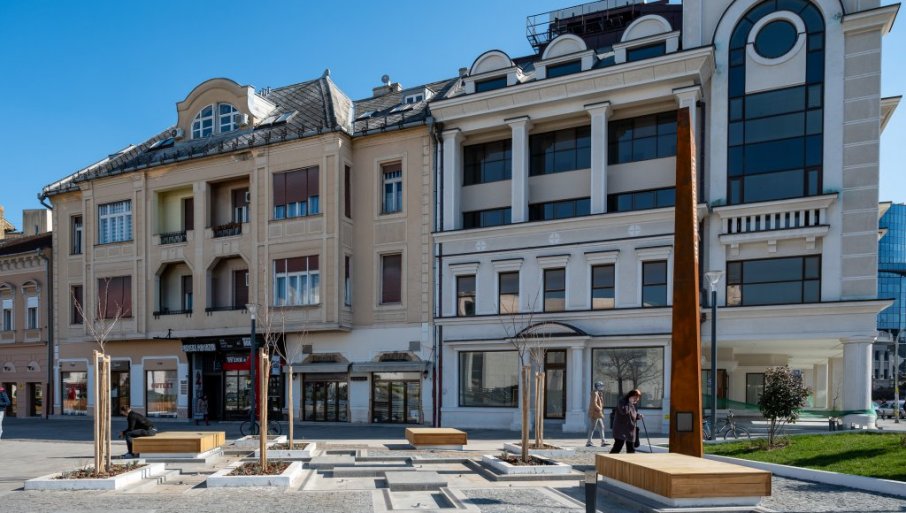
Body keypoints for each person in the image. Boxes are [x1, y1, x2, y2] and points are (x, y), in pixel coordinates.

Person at [610, 389, 643, 454]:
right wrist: (629, 403)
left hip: (630, 430)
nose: (636, 400)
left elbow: (632, 415)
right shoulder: (622, 402)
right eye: (635, 398)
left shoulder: (632, 405)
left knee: (631, 449)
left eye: (637, 398)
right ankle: (609, 459)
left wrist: (638, 416)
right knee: (618, 447)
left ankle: (631, 460)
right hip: (621, 430)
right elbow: (624, 411)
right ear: (630, 396)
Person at [586, 381, 609, 447]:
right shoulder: (595, 393)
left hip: (597, 413)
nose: (602, 387)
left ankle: (603, 441)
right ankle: (589, 442)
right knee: (592, 427)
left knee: (601, 426)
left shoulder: (598, 393)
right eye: (601, 386)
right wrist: (599, 409)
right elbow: (594, 403)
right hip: (595, 413)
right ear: (598, 386)